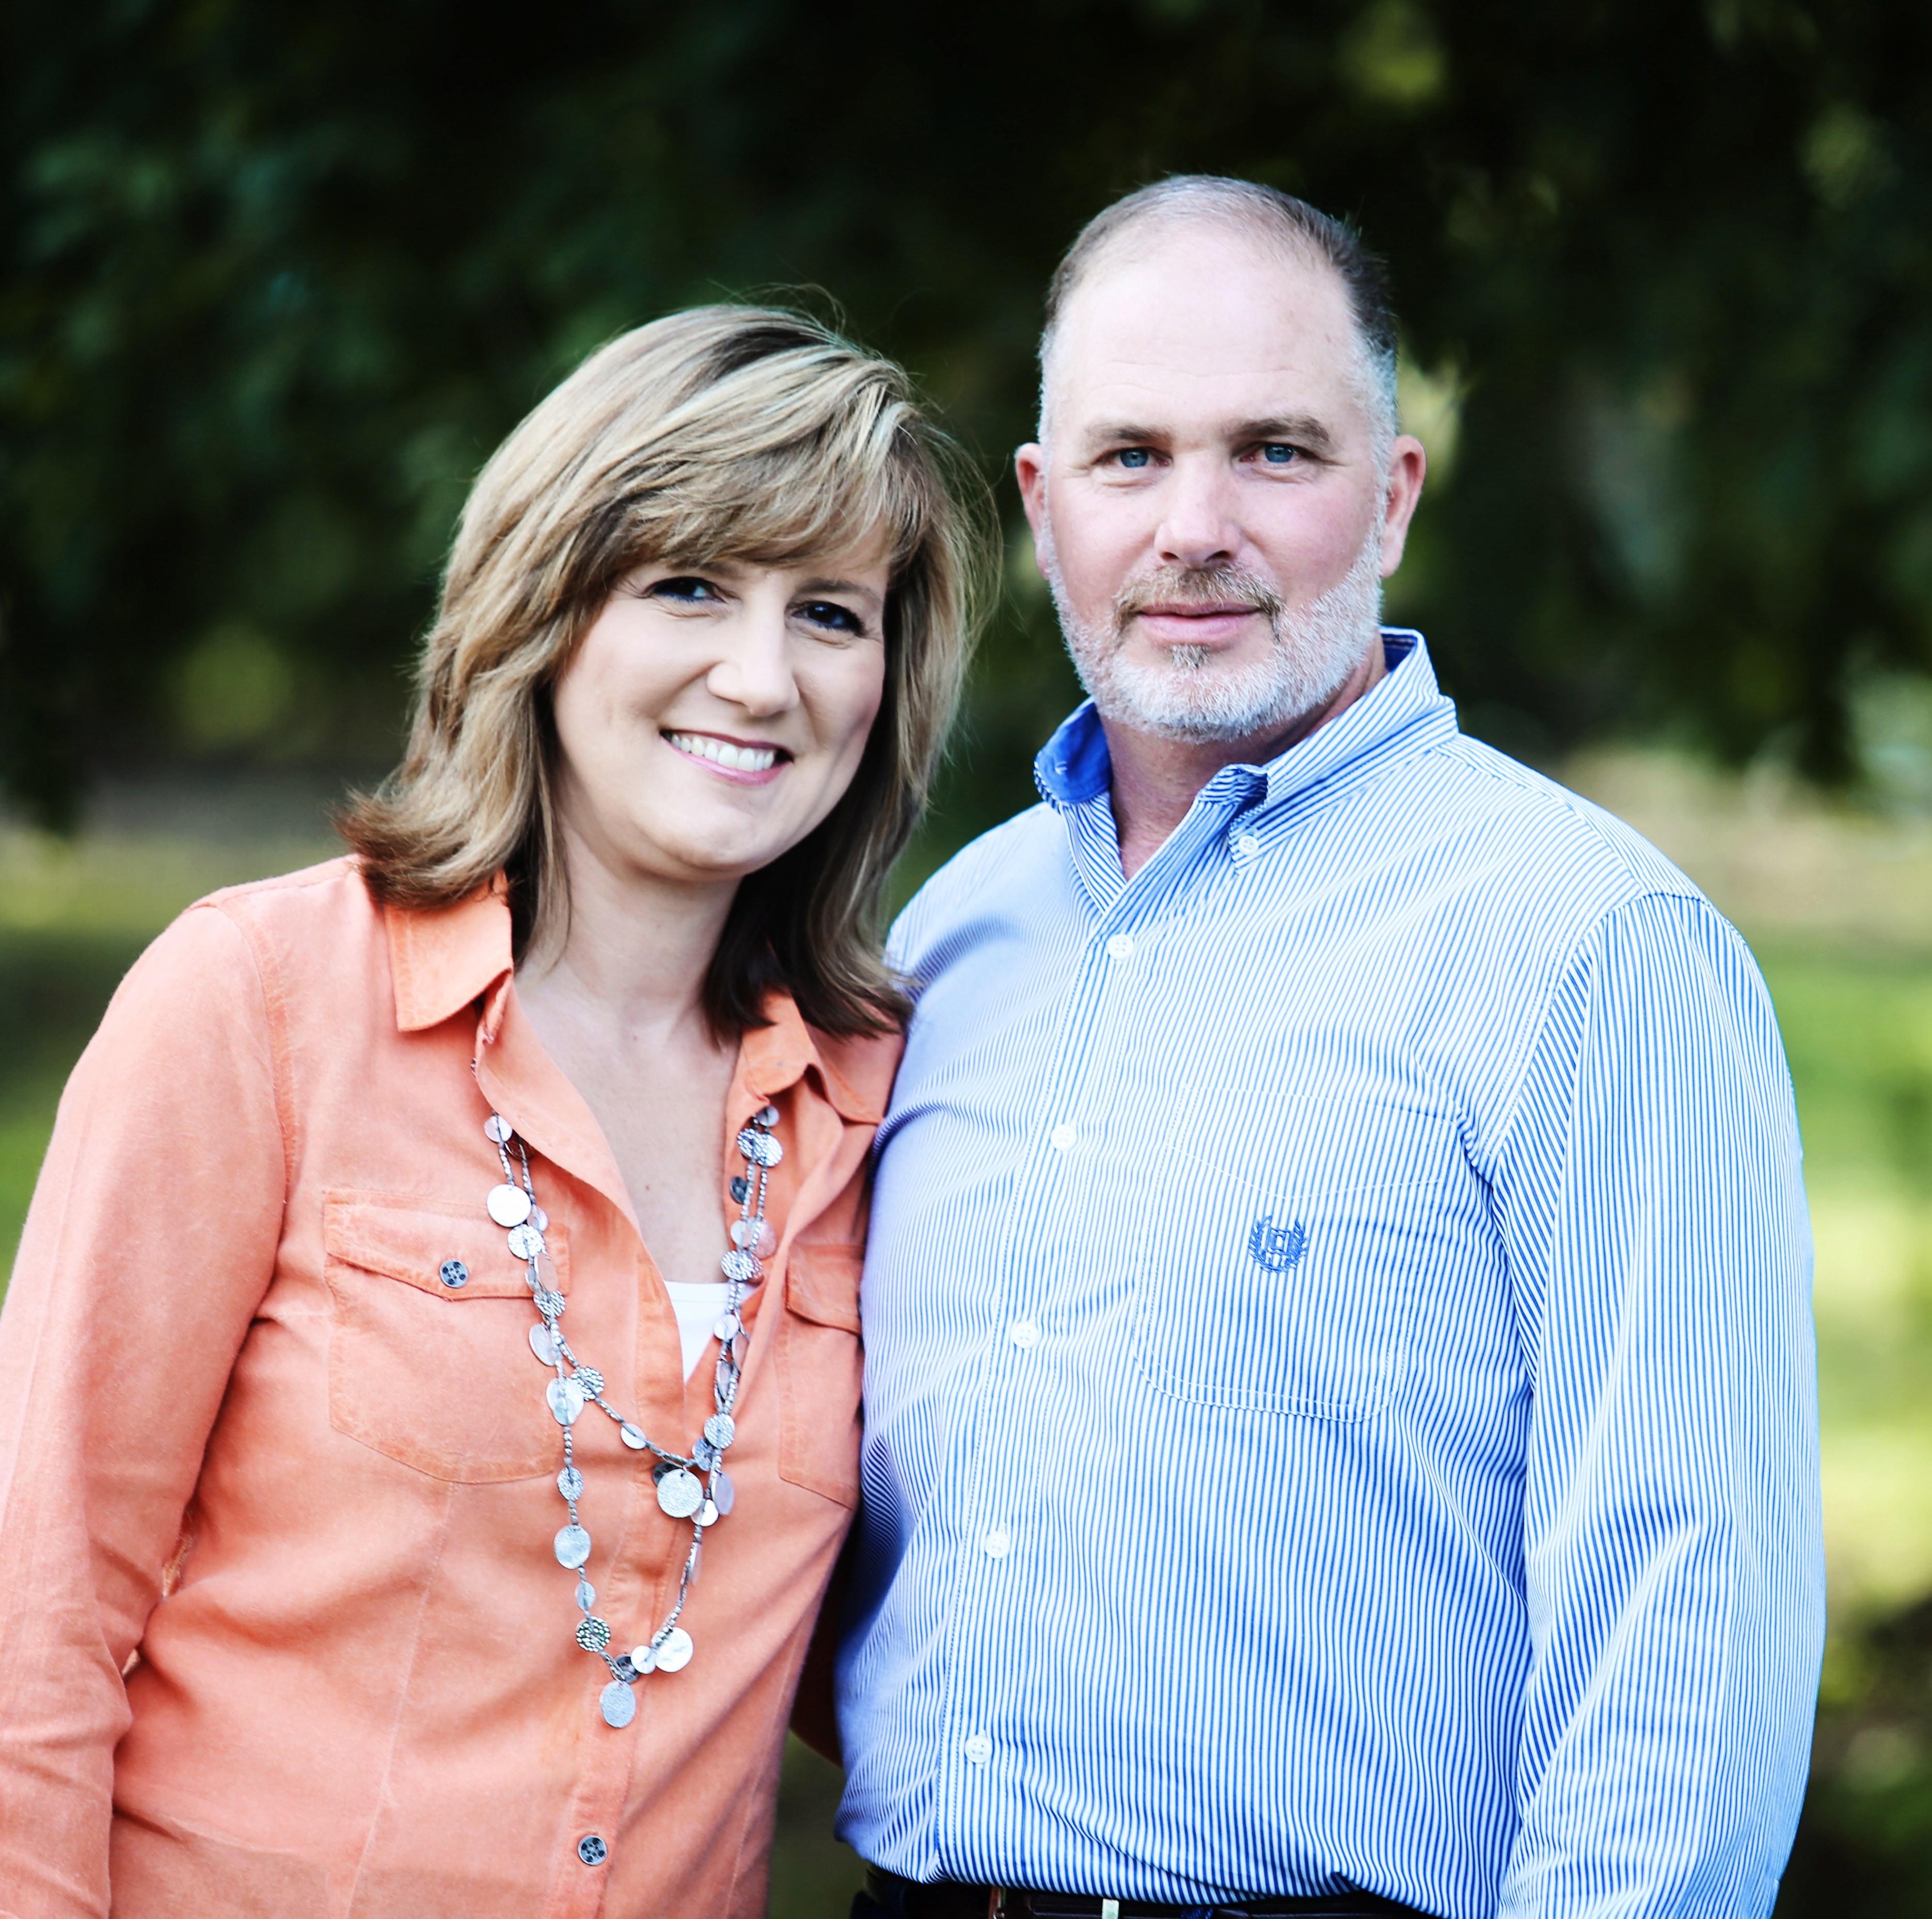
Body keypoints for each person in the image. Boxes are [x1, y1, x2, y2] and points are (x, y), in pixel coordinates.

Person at [833, 179, 1823, 1918]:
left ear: (1393, 497)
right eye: (1130, 457)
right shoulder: (951, 943)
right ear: (1045, 508)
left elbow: (1691, 1631)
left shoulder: (1589, 951)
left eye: (1276, 450)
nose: (1194, 526)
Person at [0, 304, 986, 1918]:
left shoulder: (885, 1102)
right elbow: (31, 1617)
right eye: (689, 585)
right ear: (545, 610)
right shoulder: (256, 1001)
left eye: (830, 612)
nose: (761, 676)